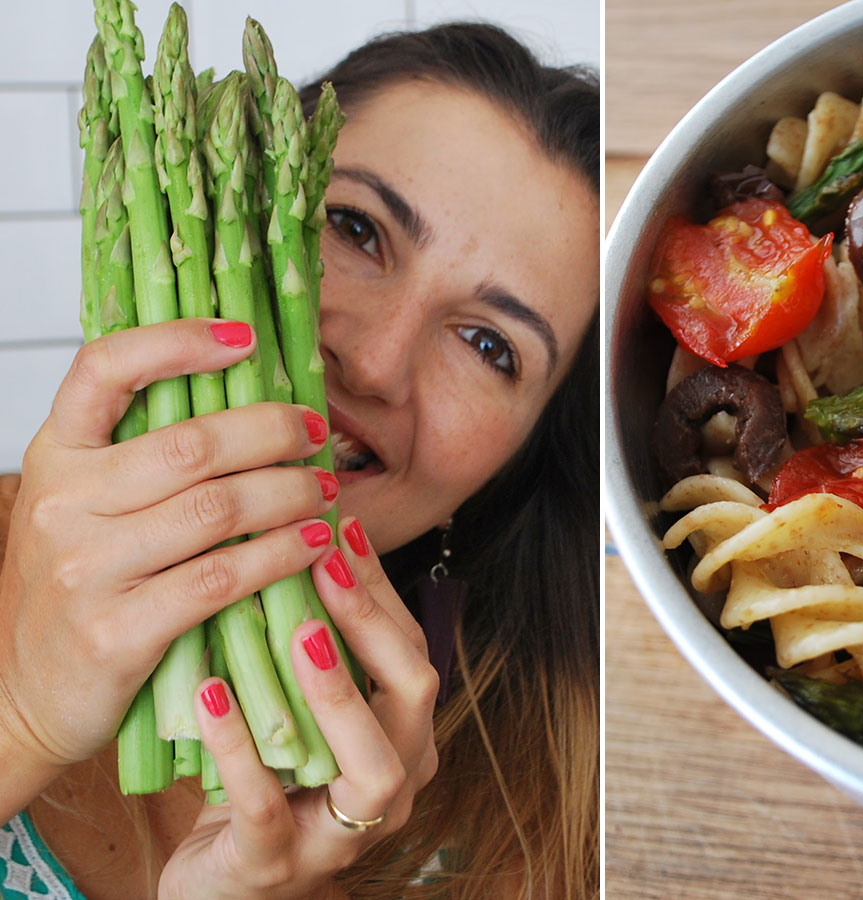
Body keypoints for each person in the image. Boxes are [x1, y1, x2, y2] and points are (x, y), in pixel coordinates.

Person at [0, 21, 599, 900]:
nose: (375, 363)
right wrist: (20, 721)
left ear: (512, 465)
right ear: (193, 209)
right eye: (355, 229)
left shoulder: (555, 823)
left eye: (489, 344)